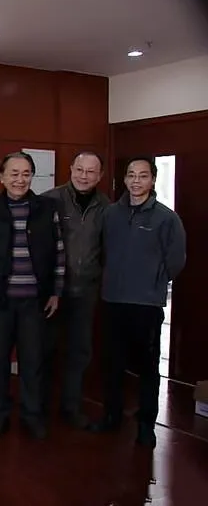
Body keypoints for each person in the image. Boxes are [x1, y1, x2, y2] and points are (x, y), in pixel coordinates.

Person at [90, 157, 186, 448]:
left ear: (153, 180)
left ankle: (146, 425)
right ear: (125, 179)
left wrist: (153, 280)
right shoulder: (110, 214)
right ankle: (112, 417)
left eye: (143, 176)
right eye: (131, 175)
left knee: (147, 367)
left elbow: (176, 260)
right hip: (113, 300)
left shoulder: (166, 218)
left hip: (146, 304)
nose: (136, 181)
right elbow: (101, 250)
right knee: (113, 364)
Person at [0, 152, 65, 440]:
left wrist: (56, 292)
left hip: (35, 301)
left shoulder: (47, 208)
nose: (20, 180)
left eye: (26, 174)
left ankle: (32, 415)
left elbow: (59, 252)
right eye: (14, 173)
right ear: (2, 177)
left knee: (33, 362)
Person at [41, 152, 110, 429]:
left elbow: (108, 248)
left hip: (86, 290)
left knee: (79, 351)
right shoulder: (50, 200)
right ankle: (40, 408)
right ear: (70, 169)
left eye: (91, 172)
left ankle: (71, 407)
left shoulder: (107, 207)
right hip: (52, 291)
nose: (84, 176)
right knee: (45, 348)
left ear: (100, 175)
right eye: (79, 169)